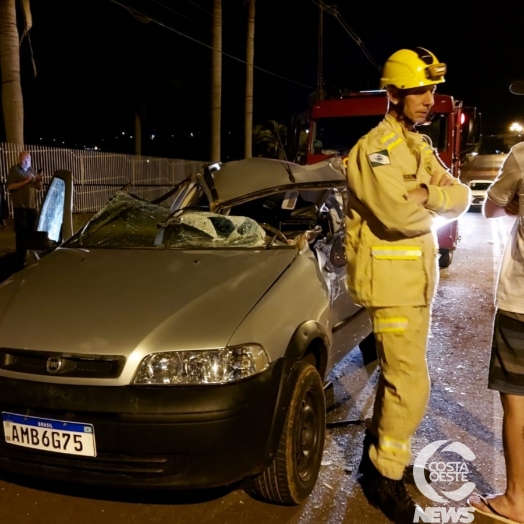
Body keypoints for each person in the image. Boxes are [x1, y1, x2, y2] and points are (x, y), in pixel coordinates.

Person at [344, 47, 471, 523]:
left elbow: (459, 197)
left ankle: (379, 455)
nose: (428, 99)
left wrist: (429, 193)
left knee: (399, 379)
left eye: (432, 90)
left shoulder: (417, 146)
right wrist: (427, 199)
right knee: (411, 383)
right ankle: (385, 477)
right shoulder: (375, 150)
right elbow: (398, 215)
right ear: (394, 93)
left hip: (415, 284)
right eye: (419, 90)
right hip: (391, 285)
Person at [467, 97, 524, 523]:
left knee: (517, 404)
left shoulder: (522, 156)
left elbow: (490, 207)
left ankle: (516, 499)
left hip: (521, 303)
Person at [7, 151, 43, 268]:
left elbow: (39, 188)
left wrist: (38, 180)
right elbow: (10, 187)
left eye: (28, 160)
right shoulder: (15, 170)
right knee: (21, 233)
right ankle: (20, 258)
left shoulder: (32, 170)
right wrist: (26, 181)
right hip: (20, 207)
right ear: (19, 159)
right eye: (24, 160)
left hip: (32, 207)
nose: (27, 162)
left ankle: (30, 255)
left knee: (31, 231)